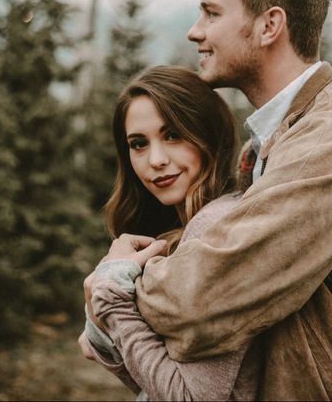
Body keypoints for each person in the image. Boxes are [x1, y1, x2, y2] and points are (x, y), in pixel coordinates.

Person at [87, 0, 332, 400]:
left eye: (211, 13)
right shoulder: (280, 139)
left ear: (270, 25)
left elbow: (202, 298)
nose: (195, 31)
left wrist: (115, 283)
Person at [79, 65, 265, 400]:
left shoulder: (217, 230)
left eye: (173, 135)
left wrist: (111, 299)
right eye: (138, 144)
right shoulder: (177, 234)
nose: (156, 160)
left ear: (209, 134)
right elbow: (152, 382)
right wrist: (103, 323)